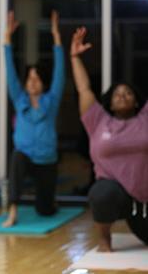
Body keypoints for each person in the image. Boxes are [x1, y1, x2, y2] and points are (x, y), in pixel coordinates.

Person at [70, 27, 148, 252]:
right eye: (117, 94)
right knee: (101, 192)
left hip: (144, 205)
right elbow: (83, 89)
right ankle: (105, 238)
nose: (122, 96)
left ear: (136, 101)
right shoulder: (98, 121)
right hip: (117, 197)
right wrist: (74, 57)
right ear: (110, 103)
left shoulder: (145, 117)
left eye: (128, 93)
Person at [2, 10, 65, 227]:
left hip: (47, 159)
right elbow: (10, 73)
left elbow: (60, 73)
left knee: (45, 211)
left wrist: (56, 36)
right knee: (17, 158)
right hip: (25, 156)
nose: (32, 83)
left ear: (43, 83)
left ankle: (49, 202)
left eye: (36, 79)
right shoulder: (20, 100)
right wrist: (7, 39)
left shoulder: (52, 99)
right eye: (29, 79)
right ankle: (13, 210)